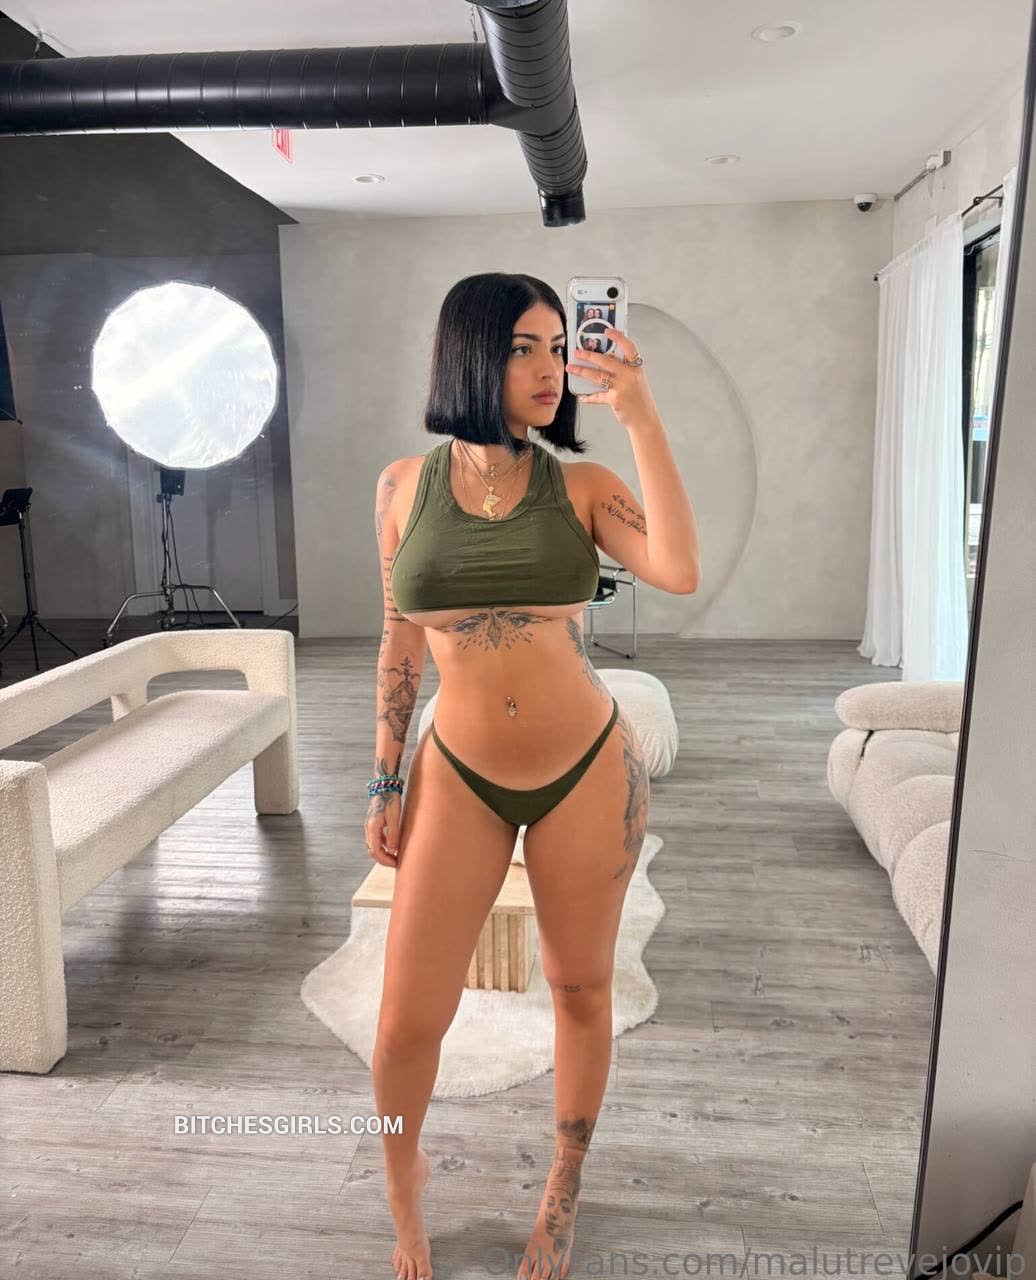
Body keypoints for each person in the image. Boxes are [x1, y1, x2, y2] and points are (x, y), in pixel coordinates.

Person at [368, 272, 700, 1280]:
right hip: (458, 771)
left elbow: (679, 569)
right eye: (524, 348)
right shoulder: (401, 487)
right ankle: (403, 1184)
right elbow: (398, 639)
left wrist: (639, 414)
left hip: (586, 767)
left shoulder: (583, 488)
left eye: (558, 346)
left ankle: (563, 1182)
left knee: (580, 985)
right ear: (471, 355)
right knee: (406, 1018)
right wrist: (384, 779)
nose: (550, 369)